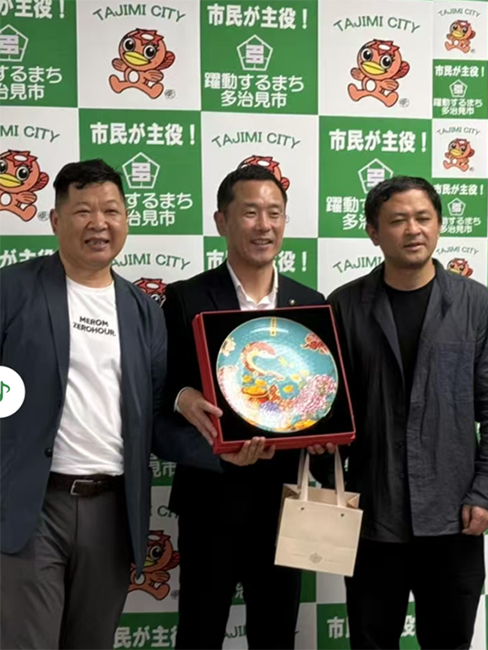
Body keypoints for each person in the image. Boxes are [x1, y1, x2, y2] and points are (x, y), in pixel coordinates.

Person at [0, 159, 174, 649]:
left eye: (111, 211)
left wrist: (223, 446)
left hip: (112, 510)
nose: (99, 223)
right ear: (56, 221)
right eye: (83, 211)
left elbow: (154, 416)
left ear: (126, 220)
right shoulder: (12, 290)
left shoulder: (142, 310)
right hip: (32, 506)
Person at [326, 176, 488, 650]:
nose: (413, 229)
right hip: (372, 512)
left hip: (456, 514)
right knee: (370, 640)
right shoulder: (344, 305)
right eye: (397, 220)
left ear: (439, 225)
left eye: (423, 218)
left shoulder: (476, 304)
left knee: (449, 641)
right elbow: (329, 406)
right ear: (373, 232)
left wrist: (486, 492)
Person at [162, 164, 329, 649]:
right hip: (211, 500)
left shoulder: (310, 303)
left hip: (286, 504)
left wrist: (324, 434)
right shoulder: (186, 298)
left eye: (275, 213)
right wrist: (183, 398)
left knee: (276, 635)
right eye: (251, 212)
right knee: (199, 632)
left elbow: (325, 392)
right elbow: (159, 394)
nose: (264, 225)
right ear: (222, 221)